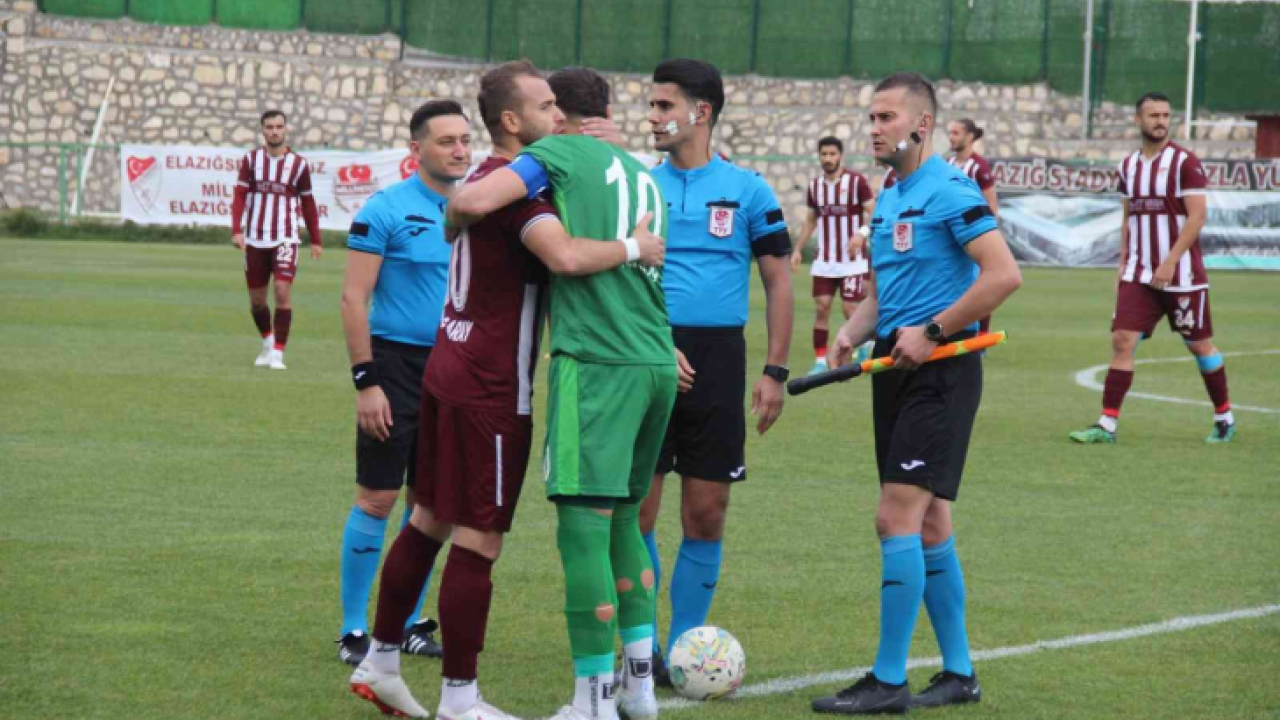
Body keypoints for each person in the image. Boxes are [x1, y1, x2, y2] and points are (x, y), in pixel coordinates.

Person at [352, 63, 667, 720]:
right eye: (546, 106)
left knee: (429, 517)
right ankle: (462, 700)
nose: (559, 116)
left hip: (447, 364)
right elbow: (567, 258)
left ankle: (381, 659)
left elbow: (457, 217)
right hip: (492, 385)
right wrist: (635, 245)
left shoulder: (481, 180)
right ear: (513, 121)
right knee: (480, 538)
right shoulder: (524, 192)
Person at [445, 65, 678, 720]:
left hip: (597, 365)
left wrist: (452, 217)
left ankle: (592, 702)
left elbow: (472, 202)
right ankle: (638, 690)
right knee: (628, 522)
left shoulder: (554, 153)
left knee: (583, 529)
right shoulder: (639, 171)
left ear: (561, 115)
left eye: (548, 106)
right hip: (655, 359)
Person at [813, 72, 1021, 715]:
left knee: (894, 517)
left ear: (920, 125)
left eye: (884, 118)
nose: (872, 129)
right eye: (869, 118)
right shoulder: (891, 193)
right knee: (930, 521)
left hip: (944, 371)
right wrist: (851, 330)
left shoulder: (950, 190)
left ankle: (888, 679)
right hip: (892, 368)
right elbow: (884, 293)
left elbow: (1003, 274)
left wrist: (932, 332)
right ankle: (959, 674)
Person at [642, 58, 794, 681]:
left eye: (662, 106)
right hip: (648, 354)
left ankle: (686, 651)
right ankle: (640, 647)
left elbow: (779, 282)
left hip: (719, 359)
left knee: (706, 511)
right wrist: (651, 342)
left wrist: (775, 371)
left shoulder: (751, 189)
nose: (651, 117)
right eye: (650, 106)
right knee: (639, 511)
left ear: (699, 113)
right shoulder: (640, 185)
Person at [335, 100, 467, 668]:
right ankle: (353, 628)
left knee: (432, 503)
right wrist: (367, 382)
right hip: (394, 368)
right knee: (379, 496)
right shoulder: (385, 209)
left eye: (465, 140)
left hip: (455, 368)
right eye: (446, 141)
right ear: (416, 151)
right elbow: (353, 298)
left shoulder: (479, 208)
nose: (459, 150)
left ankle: (409, 622)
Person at [1069, 91, 1234, 445]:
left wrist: (1170, 261)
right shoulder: (1128, 166)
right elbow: (1129, 216)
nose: (1161, 121)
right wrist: (1122, 265)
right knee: (1122, 341)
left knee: (1200, 345)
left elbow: (1198, 216)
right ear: (1138, 120)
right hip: (1139, 274)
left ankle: (1224, 415)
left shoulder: (1184, 162)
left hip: (1182, 276)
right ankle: (1107, 425)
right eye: (1153, 115)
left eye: (1165, 115)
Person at [230, 110, 323, 370]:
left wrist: (315, 239)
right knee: (257, 301)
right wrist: (237, 229)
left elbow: (308, 202)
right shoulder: (251, 161)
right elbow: (239, 197)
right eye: (269, 127)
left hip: (285, 238)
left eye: (278, 127)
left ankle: (279, 353)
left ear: (286, 130)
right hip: (255, 240)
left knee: (282, 291)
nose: (274, 131)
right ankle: (267, 341)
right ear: (262, 131)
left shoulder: (299, 164)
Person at [791, 136, 874, 375]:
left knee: (851, 309)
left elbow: (875, 211)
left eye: (832, 154)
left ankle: (864, 344)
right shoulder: (815, 187)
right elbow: (810, 220)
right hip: (825, 261)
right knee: (822, 308)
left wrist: (861, 234)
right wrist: (798, 248)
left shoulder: (857, 182)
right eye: (824, 154)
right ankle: (819, 361)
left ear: (841, 156)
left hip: (852, 262)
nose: (828, 159)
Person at [946, 119, 999, 334]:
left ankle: (981, 335)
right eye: (950, 133)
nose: (951, 137)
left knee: (979, 285)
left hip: (972, 235)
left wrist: (978, 232)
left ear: (969, 137)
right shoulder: (946, 164)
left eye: (956, 133)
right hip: (949, 237)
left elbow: (991, 206)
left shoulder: (979, 167)